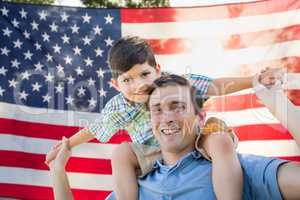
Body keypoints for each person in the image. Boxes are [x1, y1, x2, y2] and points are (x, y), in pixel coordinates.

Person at [46, 36, 262, 200]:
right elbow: (96, 128)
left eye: (144, 74)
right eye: (127, 80)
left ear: (157, 71)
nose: (138, 85)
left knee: (217, 138)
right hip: (151, 153)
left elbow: (213, 85)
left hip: (192, 138)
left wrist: (253, 81)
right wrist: (68, 145)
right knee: (121, 153)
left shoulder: (174, 85)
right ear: (115, 85)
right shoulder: (120, 106)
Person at [49, 74, 300, 199]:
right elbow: (99, 126)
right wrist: (58, 171)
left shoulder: (235, 168)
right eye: (157, 110)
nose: (166, 117)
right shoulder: (135, 187)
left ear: (200, 118)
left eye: (177, 106)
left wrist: (278, 102)